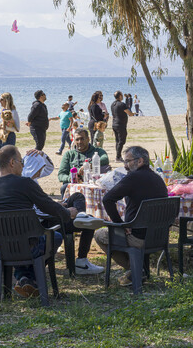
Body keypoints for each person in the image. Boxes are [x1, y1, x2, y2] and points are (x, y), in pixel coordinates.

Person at [0, 146, 78, 297]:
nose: (23, 165)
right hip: (30, 246)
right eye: (21, 161)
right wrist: (67, 213)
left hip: (0, 248)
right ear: (12, 162)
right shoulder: (25, 183)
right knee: (55, 237)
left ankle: (24, 278)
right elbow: (48, 206)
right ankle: (31, 277)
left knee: (21, 242)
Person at [94, 146, 168, 287]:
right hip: (159, 237)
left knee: (99, 234)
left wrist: (120, 225)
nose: (125, 166)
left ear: (140, 161)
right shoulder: (157, 178)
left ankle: (134, 269)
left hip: (138, 238)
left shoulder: (133, 177)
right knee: (136, 227)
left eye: (127, 162)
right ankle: (139, 270)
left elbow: (107, 199)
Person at [58, 128, 110, 195]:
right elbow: (61, 175)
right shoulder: (69, 155)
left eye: (82, 139)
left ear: (88, 139)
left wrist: (89, 165)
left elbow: (105, 159)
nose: (80, 142)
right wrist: (72, 177)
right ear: (74, 140)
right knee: (64, 188)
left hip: (93, 184)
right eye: (77, 139)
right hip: (75, 186)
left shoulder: (98, 151)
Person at [111, 90, 135, 162]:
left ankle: (118, 156)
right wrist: (133, 113)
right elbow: (129, 113)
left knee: (117, 141)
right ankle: (118, 157)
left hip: (114, 124)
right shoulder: (122, 104)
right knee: (121, 141)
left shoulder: (113, 104)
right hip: (120, 124)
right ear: (120, 96)